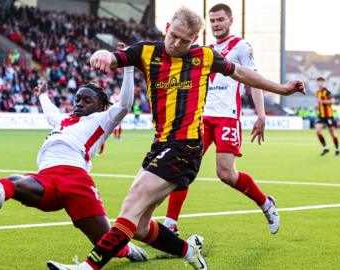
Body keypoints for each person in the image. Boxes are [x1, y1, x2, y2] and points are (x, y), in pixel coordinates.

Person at [47, 6, 305, 270]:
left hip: (186, 147)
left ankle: (87, 267)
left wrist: (281, 89)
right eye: (174, 36)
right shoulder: (147, 52)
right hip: (160, 145)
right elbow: (114, 57)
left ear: (194, 40)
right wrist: (102, 54)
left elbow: (241, 72)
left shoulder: (204, 56)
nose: (177, 43)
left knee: (131, 206)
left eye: (185, 40)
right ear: (168, 27)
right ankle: (188, 250)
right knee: (140, 227)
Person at [0, 66, 148, 263]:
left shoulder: (101, 120)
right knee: (16, 181)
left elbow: (124, 105)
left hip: (76, 180)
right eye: (77, 99)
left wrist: (128, 69)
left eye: (87, 100)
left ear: (100, 106)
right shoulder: (63, 120)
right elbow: (50, 112)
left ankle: (127, 250)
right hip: (46, 178)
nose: (80, 103)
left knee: (106, 245)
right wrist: (42, 94)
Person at [165, 3, 279, 236]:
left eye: (220, 20)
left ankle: (266, 203)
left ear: (230, 21)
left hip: (227, 117)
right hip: (201, 118)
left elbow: (253, 80)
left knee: (226, 174)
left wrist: (261, 114)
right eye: (213, 20)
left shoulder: (241, 46)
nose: (216, 24)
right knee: (183, 168)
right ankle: (170, 224)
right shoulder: (205, 50)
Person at [315, 77, 340, 156]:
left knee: (331, 133)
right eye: (318, 81)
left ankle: (337, 149)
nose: (320, 83)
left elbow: (332, 101)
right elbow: (319, 102)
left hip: (328, 115)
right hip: (321, 115)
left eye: (321, 81)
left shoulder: (327, 92)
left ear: (324, 82)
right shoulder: (318, 92)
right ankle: (325, 147)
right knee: (318, 131)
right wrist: (316, 105)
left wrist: (322, 101)